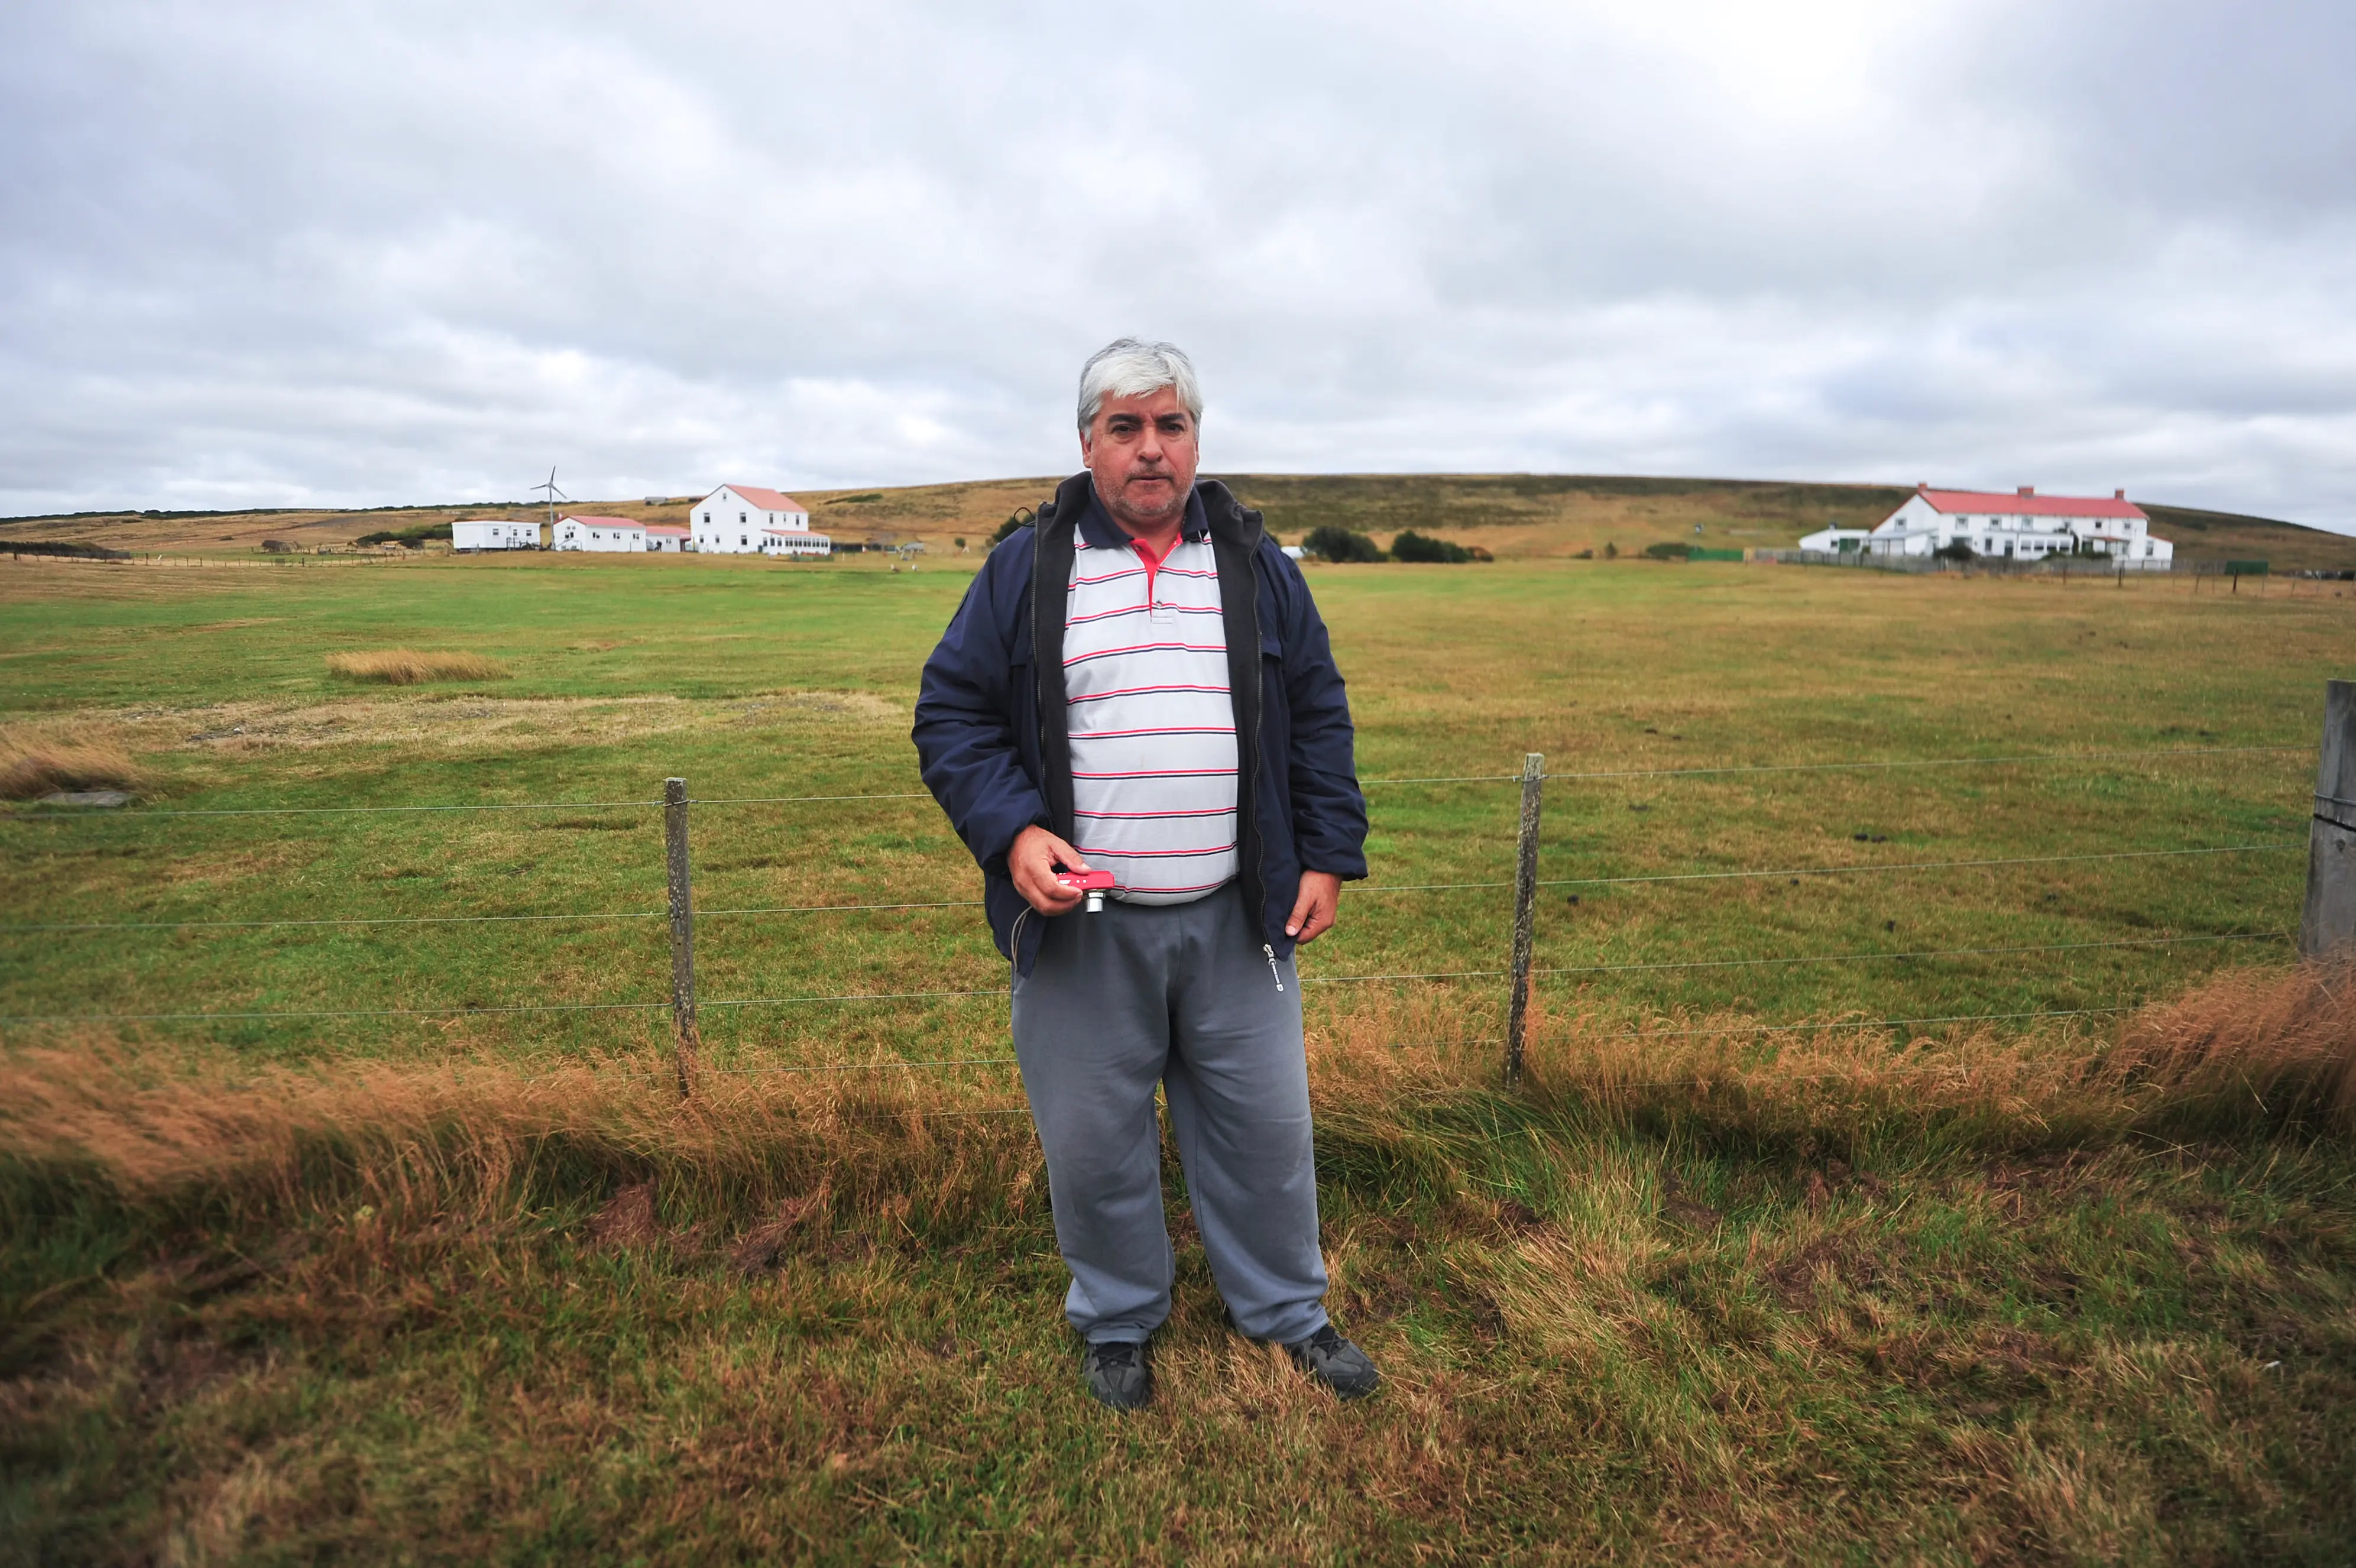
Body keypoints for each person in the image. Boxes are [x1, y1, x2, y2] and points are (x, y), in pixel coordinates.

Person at [912, 338, 1379, 1410]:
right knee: (1093, 1141)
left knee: (1266, 1131)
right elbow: (952, 715)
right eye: (1126, 428)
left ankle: (1289, 1314)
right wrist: (1014, 834)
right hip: (1084, 926)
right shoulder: (1027, 569)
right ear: (1088, 444)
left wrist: (1326, 854)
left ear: (1196, 440)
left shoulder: (1256, 567)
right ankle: (1118, 1321)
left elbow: (1316, 714)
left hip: (1235, 916)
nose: (1151, 449)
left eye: (1171, 426)